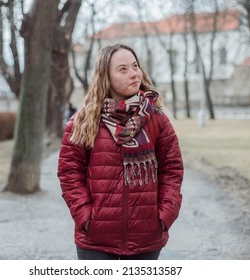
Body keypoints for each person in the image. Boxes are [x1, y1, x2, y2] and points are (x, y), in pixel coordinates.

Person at [57, 44, 183, 260]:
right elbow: (70, 173)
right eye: (123, 69)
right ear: (105, 77)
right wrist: (85, 216)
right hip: (95, 241)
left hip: (146, 238)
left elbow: (172, 169)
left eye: (135, 66)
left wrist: (164, 216)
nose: (134, 73)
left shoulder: (157, 119)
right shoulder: (83, 122)